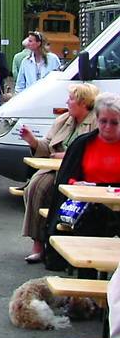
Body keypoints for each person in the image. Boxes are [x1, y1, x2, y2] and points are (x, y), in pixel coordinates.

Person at [17, 82, 98, 263]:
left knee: (42, 187)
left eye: (71, 98)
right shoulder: (63, 120)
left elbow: (89, 152)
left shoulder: (95, 123)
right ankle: (38, 241)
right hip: (54, 168)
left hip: (78, 172)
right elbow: (46, 146)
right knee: (35, 186)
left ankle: (52, 241)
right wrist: (32, 141)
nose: (67, 102)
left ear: (83, 103)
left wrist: (66, 156)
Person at [44, 93, 120, 269]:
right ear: (97, 119)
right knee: (91, 224)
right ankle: (87, 278)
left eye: (114, 122)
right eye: (103, 121)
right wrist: (74, 183)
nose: (107, 127)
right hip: (89, 207)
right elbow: (66, 178)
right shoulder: (82, 144)